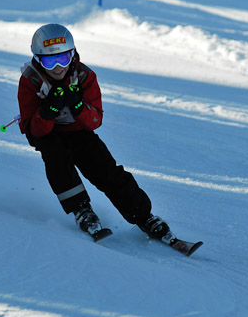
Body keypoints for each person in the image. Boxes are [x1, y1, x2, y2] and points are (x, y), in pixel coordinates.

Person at [17, 23, 174, 243]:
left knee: (103, 166)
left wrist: (78, 105)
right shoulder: (30, 80)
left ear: (72, 54)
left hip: (78, 130)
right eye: (49, 61)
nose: (57, 68)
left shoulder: (84, 76)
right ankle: (81, 209)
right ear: (37, 59)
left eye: (63, 59)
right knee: (57, 158)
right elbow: (33, 129)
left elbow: (95, 121)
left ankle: (143, 216)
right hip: (46, 132)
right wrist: (49, 110)